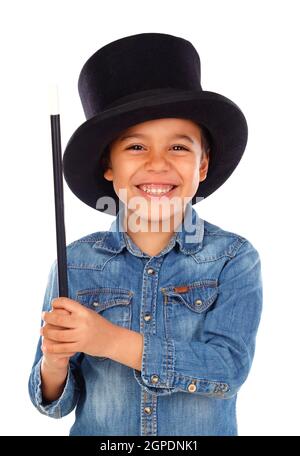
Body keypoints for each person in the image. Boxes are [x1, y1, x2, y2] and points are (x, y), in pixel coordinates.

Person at [28, 33, 263, 436]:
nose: (158, 164)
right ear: (109, 166)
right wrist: (54, 361)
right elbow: (53, 403)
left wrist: (109, 340)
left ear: (202, 165)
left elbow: (227, 371)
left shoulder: (233, 258)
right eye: (136, 147)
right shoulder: (76, 263)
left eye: (178, 148)